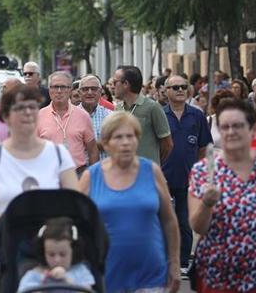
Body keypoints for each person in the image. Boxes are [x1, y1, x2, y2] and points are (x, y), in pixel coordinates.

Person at [0, 84, 78, 288]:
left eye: (32, 107)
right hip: (0, 253)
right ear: (6, 116)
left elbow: (74, 200)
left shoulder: (57, 154)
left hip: (49, 254)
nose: (27, 112)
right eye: (19, 108)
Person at [188, 98, 256, 291]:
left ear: (252, 129)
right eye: (225, 127)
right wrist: (206, 203)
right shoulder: (204, 171)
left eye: (237, 126)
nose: (231, 132)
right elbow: (198, 226)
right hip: (217, 272)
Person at [78, 111, 180, 292]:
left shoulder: (152, 171)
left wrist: (174, 263)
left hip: (151, 276)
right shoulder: (91, 176)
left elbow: (169, 221)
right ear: (106, 144)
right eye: (118, 137)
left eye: (130, 136)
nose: (125, 142)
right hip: (105, 277)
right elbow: (76, 225)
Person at [161, 74, 212, 277]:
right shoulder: (160, 113)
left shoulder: (197, 115)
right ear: (166, 92)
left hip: (188, 178)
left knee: (184, 221)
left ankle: (183, 262)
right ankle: (165, 261)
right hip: (163, 177)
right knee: (163, 221)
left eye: (183, 86)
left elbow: (203, 146)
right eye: (175, 87)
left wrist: (199, 172)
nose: (180, 90)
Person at [36, 71, 99, 176]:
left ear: (70, 90)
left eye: (63, 87)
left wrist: (92, 177)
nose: (59, 91)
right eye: (55, 87)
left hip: (78, 174)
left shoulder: (83, 116)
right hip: (48, 174)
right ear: (49, 90)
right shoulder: (39, 116)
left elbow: (93, 150)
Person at [112, 65, 172, 164]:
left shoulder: (152, 107)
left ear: (126, 84)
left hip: (146, 173)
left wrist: (152, 162)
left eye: (115, 82)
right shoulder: (118, 108)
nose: (113, 86)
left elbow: (167, 144)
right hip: (123, 172)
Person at [17, 217, 95, 291]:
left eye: (63, 254)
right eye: (51, 254)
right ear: (43, 252)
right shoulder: (34, 275)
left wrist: (67, 281)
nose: (57, 260)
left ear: (74, 252)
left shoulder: (81, 272)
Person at [78, 74, 112, 159]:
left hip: (104, 170)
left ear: (100, 92)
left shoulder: (111, 117)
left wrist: (86, 144)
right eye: (85, 89)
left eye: (94, 89)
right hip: (78, 170)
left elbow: (116, 143)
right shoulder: (69, 116)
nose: (89, 92)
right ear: (79, 93)